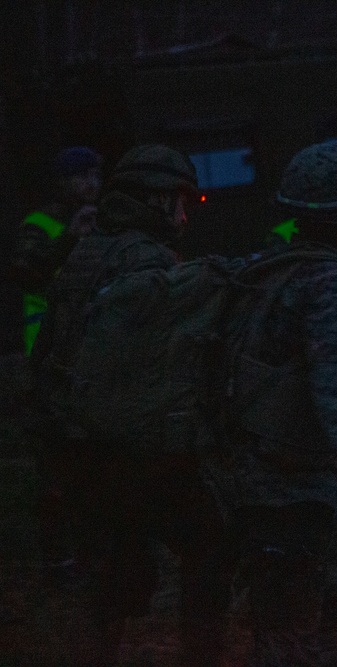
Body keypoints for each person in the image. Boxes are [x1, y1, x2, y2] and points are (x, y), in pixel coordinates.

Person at [203, 142, 337, 665]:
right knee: (312, 626)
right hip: (294, 492)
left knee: (301, 618)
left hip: (242, 483)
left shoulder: (267, 272)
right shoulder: (332, 285)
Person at [30, 144, 229, 665]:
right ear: (155, 200)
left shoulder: (86, 251)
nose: (184, 217)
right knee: (210, 543)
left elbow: (48, 354)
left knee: (106, 580)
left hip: (76, 446)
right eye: (179, 202)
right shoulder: (147, 259)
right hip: (131, 454)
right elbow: (164, 374)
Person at [9, 146, 103, 357]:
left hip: (88, 340)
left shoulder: (102, 221)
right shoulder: (39, 223)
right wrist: (69, 238)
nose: (92, 183)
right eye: (81, 175)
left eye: (96, 175)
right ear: (62, 181)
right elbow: (25, 275)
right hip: (46, 343)